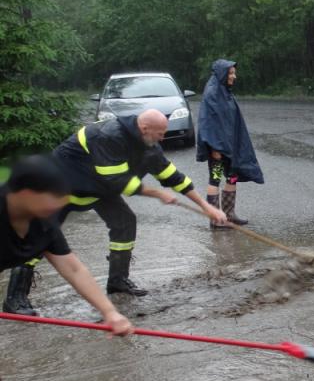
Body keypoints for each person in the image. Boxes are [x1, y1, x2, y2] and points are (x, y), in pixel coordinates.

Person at [2, 110, 227, 315]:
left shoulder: (150, 147)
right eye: (160, 133)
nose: (162, 138)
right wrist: (157, 194)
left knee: (125, 222)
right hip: (60, 191)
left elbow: (174, 177)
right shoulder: (108, 135)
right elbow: (117, 181)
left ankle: (118, 280)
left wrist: (206, 207)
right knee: (38, 239)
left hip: (98, 189)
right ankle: (15, 299)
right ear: (144, 129)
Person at [0, 155, 134, 381]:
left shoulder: (43, 222)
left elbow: (72, 267)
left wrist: (110, 312)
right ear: (25, 193)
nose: (62, 203)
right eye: (54, 196)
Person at [197, 60, 264, 227]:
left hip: (230, 147)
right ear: (222, 73)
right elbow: (208, 123)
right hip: (218, 150)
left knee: (233, 177)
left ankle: (229, 215)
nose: (234, 76)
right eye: (231, 73)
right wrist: (214, 149)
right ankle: (216, 219)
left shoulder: (224, 91)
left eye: (234, 72)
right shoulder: (212, 93)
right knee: (215, 179)